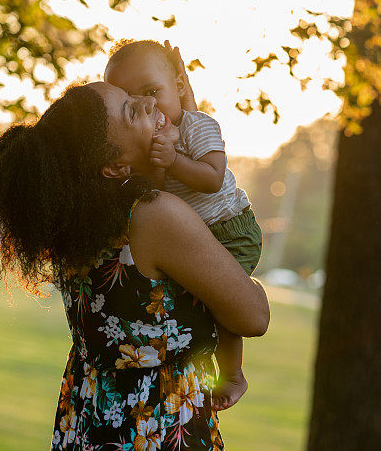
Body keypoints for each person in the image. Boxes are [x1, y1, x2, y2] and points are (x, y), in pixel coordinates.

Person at [0, 81, 270, 450]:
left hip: (89, 420)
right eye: (129, 108)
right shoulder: (153, 216)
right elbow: (254, 317)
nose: (148, 100)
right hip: (154, 429)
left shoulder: (78, 228)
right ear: (113, 166)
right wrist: (252, 285)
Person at [104, 39, 263, 412]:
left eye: (152, 91)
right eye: (129, 99)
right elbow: (158, 193)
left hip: (229, 229)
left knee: (222, 306)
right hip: (199, 234)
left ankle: (233, 372)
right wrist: (159, 160)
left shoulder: (200, 125)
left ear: (178, 87)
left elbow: (211, 177)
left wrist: (172, 160)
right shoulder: (157, 140)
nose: (146, 103)